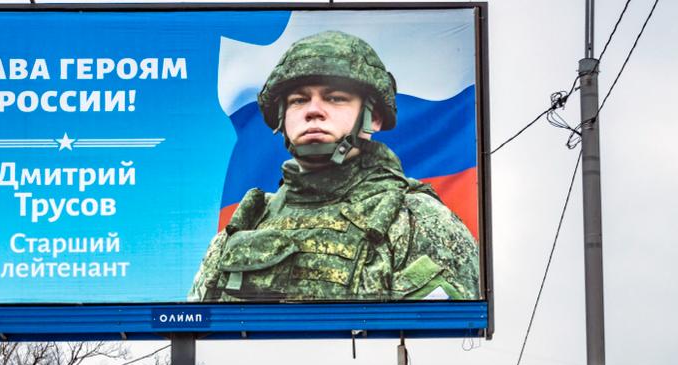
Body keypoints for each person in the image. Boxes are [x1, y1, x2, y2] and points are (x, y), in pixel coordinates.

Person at [189, 30, 479, 302]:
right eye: (299, 100)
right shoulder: (243, 229)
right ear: (282, 118)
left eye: (335, 98)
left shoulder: (417, 221)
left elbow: (445, 343)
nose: (314, 110)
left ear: (373, 118)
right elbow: (199, 340)